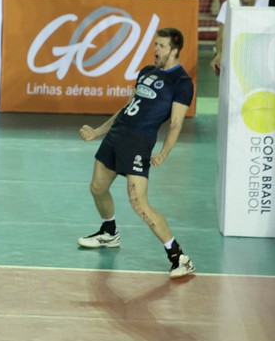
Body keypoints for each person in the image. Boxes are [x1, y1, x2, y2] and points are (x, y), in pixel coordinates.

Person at [77, 28, 196, 280]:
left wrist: (164, 152)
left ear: (175, 50)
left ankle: (179, 257)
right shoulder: (146, 71)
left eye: (161, 46)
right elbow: (127, 107)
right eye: (155, 44)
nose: (156, 49)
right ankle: (109, 233)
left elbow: (175, 123)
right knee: (97, 187)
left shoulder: (182, 83)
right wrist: (98, 132)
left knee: (138, 203)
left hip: (139, 142)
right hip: (117, 135)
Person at [210, 0, 270, 75]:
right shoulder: (228, 5)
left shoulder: (267, 4)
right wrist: (219, 54)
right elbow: (221, 34)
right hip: (236, 46)